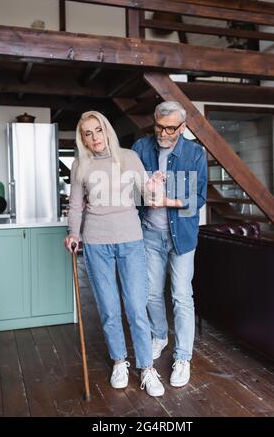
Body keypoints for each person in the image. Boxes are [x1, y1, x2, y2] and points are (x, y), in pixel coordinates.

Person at [64, 110, 166, 397]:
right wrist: (73, 232)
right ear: (82, 138)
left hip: (131, 240)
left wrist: (155, 187)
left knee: (136, 307)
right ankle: (119, 361)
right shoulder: (79, 166)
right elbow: (74, 205)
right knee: (109, 309)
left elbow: (149, 198)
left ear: (107, 129)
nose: (95, 137)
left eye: (98, 130)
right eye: (88, 133)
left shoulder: (129, 158)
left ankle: (146, 367)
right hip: (96, 243)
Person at [132, 101, 207, 387]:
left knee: (180, 296)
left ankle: (183, 357)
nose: (163, 133)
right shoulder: (141, 148)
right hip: (149, 232)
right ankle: (160, 336)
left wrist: (166, 200)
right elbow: (129, 187)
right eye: (159, 126)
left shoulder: (194, 153)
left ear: (183, 127)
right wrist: (144, 190)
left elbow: (198, 199)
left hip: (182, 237)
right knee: (151, 293)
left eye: (170, 128)